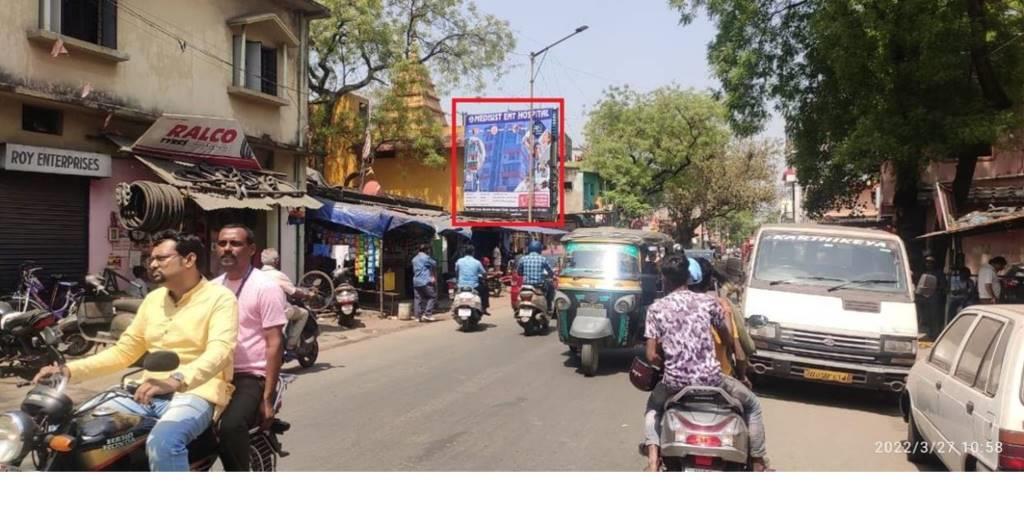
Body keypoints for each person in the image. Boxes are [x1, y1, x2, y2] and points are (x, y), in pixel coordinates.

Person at [33, 230, 238, 471]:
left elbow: (220, 350)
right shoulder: (153, 300)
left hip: (196, 392)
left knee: (163, 443)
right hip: (145, 392)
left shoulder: (220, 299)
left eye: (161, 258)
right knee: (76, 431)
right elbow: (124, 352)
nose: (152, 264)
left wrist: (176, 380)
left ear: (189, 260)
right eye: (150, 259)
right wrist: (68, 370)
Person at [641, 253, 768, 472]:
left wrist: (666, 364)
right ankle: (757, 462)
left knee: (653, 407)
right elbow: (728, 340)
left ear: (664, 279)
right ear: (688, 277)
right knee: (753, 405)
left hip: (674, 384)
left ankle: (653, 461)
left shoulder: (656, 309)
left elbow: (651, 355)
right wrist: (742, 374)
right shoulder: (709, 303)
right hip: (712, 381)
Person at [213, 224, 289, 472]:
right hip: (214, 373)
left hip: (250, 375)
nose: (227, 248)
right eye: (222, 243)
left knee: (230, 426)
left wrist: (267, 398)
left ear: (251, 249)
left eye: (235, 244)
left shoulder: (265, 287)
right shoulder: (211, 289)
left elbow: (274, 343)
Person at [260, 248, 311, 350]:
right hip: (280, 311)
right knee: (304, 313)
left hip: (260, 312)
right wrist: (308, 295)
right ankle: (291, 345)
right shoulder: (278, 275)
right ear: (276, 261)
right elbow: (294, 292)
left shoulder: (256, 275)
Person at [517, 240, 555, 309]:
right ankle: (549, 306)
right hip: (538, 285)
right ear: (539, 249)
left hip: (526, 285)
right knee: (551, 287)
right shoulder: (542, 259)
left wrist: (523, 273)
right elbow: (550, 271)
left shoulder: (523, 258)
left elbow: (519, 272)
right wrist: (552, 276)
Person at [455, 245, 489, 315]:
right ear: (473, 252)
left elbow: (456, 271)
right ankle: (484, 308)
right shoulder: (477, 262)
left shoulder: (459, 261)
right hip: (474, 286)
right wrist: (484, 277)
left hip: (461, 285)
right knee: (485, 289)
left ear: (464, 252)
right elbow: (484, 273)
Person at [915, 256, 942, 339]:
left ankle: (934, 337)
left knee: (934, 319)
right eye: (927, 262)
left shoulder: (938, 274)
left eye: (930, 262)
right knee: (923, 318)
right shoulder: (922, 273)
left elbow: (942, 286)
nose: (928, 264)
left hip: (933, 299)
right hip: (923, 299)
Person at [411, 243, 438, 322]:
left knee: (417, 298)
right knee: (432, 296)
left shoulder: (414, 259)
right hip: (425, 280)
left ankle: (417, 316)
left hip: (416, 281)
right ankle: (427, 314)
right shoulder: (426, 258)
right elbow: (435, 264)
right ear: (427, 250)